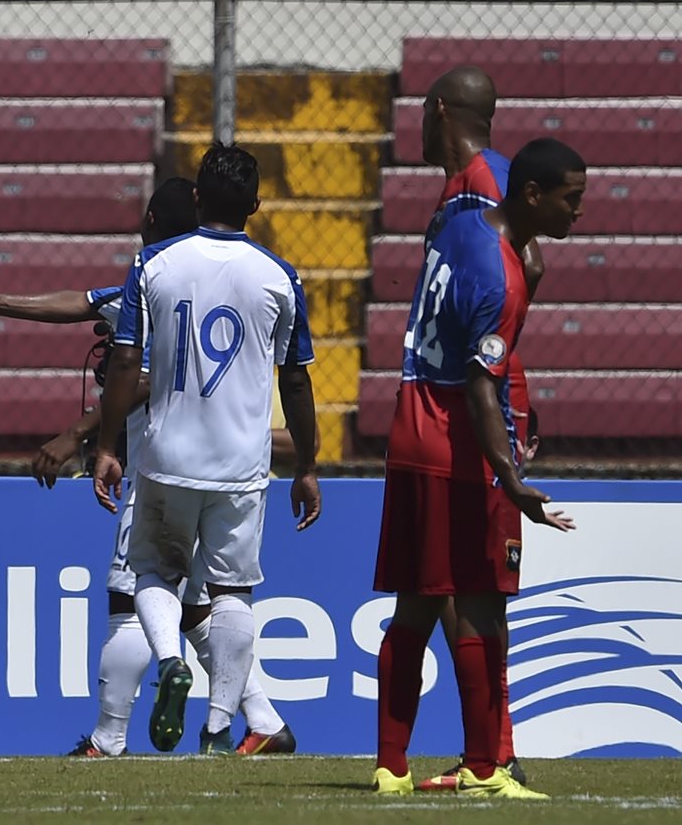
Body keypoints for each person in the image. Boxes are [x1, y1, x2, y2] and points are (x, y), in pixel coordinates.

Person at [0, 177, 298, 757]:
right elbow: (83, 303)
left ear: (155, 226)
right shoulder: (223, 280)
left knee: (130, 595)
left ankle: (108, 739)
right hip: (223, 469)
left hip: (160, 469)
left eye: (145, 221)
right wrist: (4, 304)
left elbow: (139, 377)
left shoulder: (160, 280)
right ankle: (263, 718)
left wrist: (82, 434)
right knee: (192, 605)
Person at [371, 137, 584, 799]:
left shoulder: (463, 221)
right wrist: (513, 482)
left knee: (415, 601)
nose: (578, 213)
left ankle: (390, 767)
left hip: (408, 426)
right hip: (450, 442)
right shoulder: (502, 276)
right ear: (531, 195)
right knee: (473, 604)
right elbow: (481, 385)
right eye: (569, 200)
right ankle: (487, 770)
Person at [93, 144, 321, 755]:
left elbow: (122, 359)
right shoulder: (280, 277)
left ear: (195, 198)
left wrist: (108, 444)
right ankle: (220, 728)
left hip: (167, 456)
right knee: (232, 593)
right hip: (243, 465)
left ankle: (171, 660)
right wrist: (308, 465)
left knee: (152, 572)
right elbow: (296, 380)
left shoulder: (155, 264)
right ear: (255, 204)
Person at [416, 65, 539, 789]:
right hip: (462, 403)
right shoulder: (461, 184)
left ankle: (496, 753)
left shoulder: (489, 179)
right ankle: (486, 753)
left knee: (477, 586)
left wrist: (503, 374)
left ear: (436, 110)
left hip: (483, 402)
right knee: (454, 584)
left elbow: (530, 263)